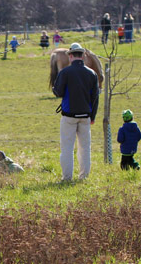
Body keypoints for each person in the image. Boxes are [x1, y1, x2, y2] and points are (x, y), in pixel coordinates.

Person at [53, 43, 99, 182]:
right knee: (85, 148)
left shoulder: (65, 73)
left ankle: (67, 177)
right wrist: (93, 116)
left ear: (71, 56)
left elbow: (58, 92)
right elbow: (95, 97)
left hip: (69, 116)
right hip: (85, 115)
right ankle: (83, 176)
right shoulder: (92, 74)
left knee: (67, 148)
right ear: (83, 55)